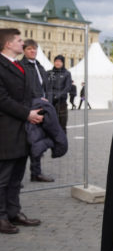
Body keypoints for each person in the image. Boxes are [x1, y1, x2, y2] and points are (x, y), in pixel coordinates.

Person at [0, 28, 43, 234]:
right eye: (18, 40)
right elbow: (2, 99)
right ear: (8, 44)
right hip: (6, 129)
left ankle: (13, 212)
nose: (22, 43)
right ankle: (1, 217)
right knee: (3, 177)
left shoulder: (18, 65)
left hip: (21, 129)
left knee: (17, 175)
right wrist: (27, 113)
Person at [19, 39, 54, 182]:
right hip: (28, 109)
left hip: (42, 108)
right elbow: (22, 89)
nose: (32, 51)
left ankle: (36, 173)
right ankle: (16, 178)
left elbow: (48, 88)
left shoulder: (40, 67)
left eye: (34, 49)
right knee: (23, 143)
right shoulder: (21, 67)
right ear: (24, 50)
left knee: (38, 141)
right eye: (29, 49)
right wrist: (36, 102)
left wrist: (48, 104)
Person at [47, 54, 72, 131]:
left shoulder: (67, 73)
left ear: (63, 63)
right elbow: (47, 86)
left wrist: (58, 96)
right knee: (50, 125)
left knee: (62, 125)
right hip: (50, 102)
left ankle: (62, 139)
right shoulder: (50, 73)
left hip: (61, 103)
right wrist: (49, 96)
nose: (57, 63)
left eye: (60, 61)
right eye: (56, 61)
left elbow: (67, 87)